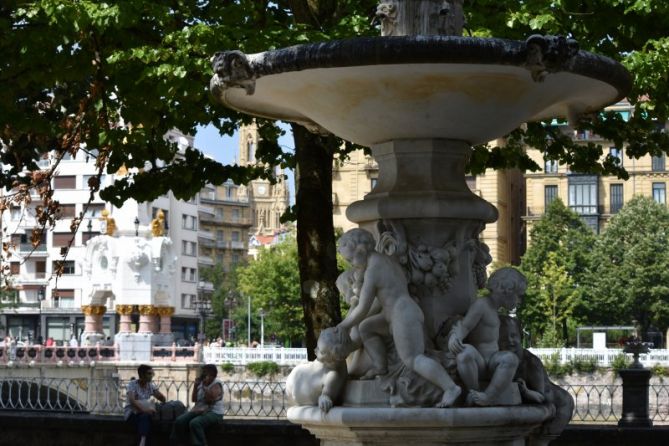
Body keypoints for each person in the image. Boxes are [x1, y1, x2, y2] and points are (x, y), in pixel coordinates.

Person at [335, 228, 461, 408]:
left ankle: (450, 387)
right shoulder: (384, 260)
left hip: (403, 314)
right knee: (366, 328)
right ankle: (381, 366)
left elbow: (363, 307)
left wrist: (344, 325)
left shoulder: (374, 270)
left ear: (362, 251)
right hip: (393, 314)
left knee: (413, 359)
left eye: (351, 260)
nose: (352, 265)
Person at [447, 267, 527, 406]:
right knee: (464, 353)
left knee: (510, 359)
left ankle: (489, 396)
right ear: (506, 290)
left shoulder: (495, 310)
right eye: (518, 295)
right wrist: (455, 337)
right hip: (478, 361)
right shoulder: (481, 305)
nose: (518, 301)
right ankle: (474, 393)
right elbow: (466, 326)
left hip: (493, 361)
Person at [170, 364, 224, 446]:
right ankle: (177, 443)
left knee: (195, 423)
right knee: (179, 421)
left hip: (214, 412)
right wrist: (195, 386)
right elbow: (194, 399)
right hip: (199, 410)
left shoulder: (216, 383)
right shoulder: (201, 383)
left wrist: (205, 387)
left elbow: (210, 400)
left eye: (205, 372)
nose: (203, 374)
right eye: (203, 372)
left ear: (212, 374)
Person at [124, 364, 167, 446]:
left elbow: (161, 398)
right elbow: (132, 401)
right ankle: (143, 441)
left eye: (152, 374)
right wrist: (145, 410)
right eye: (149, 374)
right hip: (132, 413)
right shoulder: (132, 384)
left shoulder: (150, 385)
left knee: (148, 418)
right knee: (146, 417)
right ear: (142, 374)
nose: (152, 376)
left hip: (144, 414)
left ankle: (143, 441)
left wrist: (160, 396)